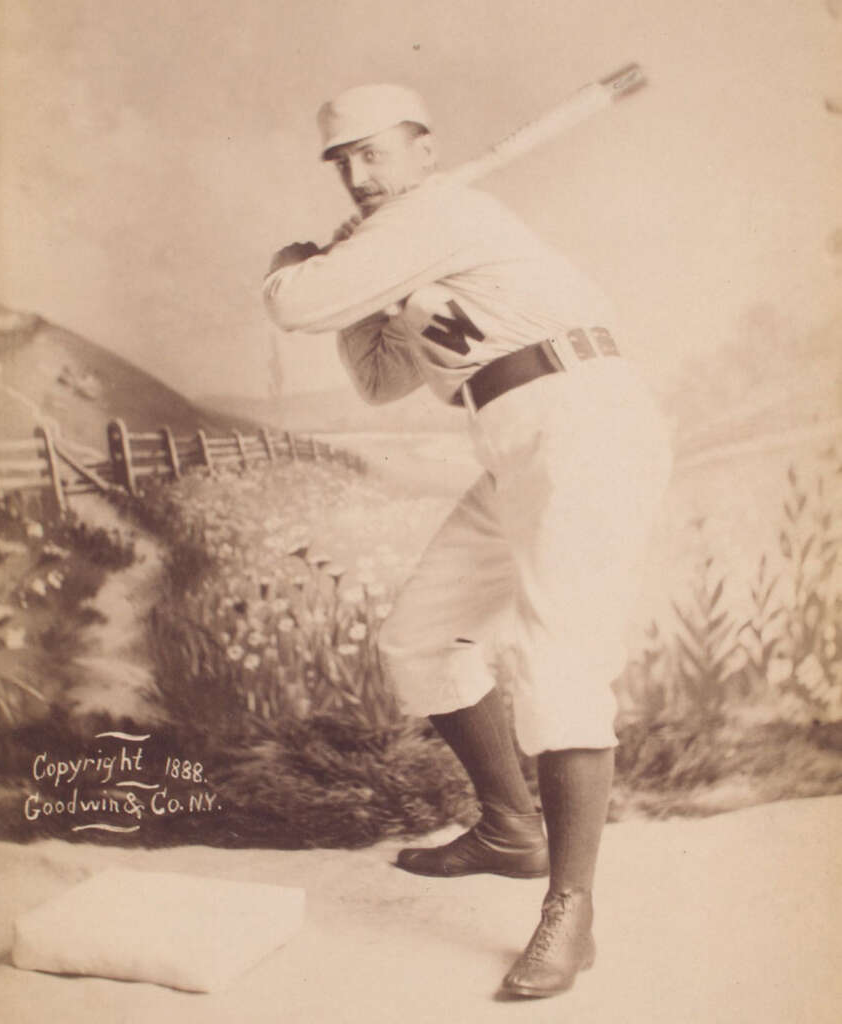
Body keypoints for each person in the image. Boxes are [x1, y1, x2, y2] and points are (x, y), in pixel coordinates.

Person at [262, 83, 672, 1000]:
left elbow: (295, 304)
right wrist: (371, 289)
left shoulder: (441, 210)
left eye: (376, 154)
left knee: (558, 665)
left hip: (585, 425)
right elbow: (376, 380)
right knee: (421, 637)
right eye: (344, 163)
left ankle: (572, 911)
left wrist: (297, 265)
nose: (360, 176)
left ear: (424, 152)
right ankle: (509, 830)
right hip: (516, 440)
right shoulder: (400, 249)